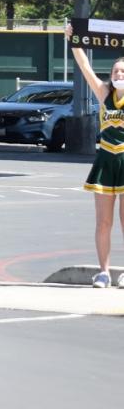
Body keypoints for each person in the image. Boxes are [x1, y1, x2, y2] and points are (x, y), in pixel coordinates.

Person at [67, 21, 124, 287]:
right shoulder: (103, 93)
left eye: (123, 71)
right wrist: (74, 40)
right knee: (103, 222)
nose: (119, 74)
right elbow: (85, 68)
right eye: (116, 70)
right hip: (105, 159)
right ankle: (104, 272)